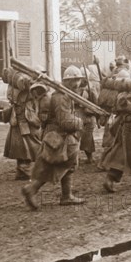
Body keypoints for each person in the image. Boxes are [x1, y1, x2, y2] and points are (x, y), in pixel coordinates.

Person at [21, 66, 86, 209]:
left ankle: (66, 196)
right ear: (67, 82)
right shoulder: (62, 97)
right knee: (56, 165)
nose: (77, 84)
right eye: (74, 81)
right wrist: (79, 122)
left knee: (67, 165)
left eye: (78, 80)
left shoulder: (65, 95)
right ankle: (32, 189)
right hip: (60, 137)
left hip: (58, 136)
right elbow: (65, 121)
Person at [3, 69, 49, 180]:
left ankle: (22, 171)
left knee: (22, 146)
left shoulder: (13, 85)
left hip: (20, 118)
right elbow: (37, 91)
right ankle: (27, 171)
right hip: (25, 118)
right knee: (30, 144)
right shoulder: (23, 83)